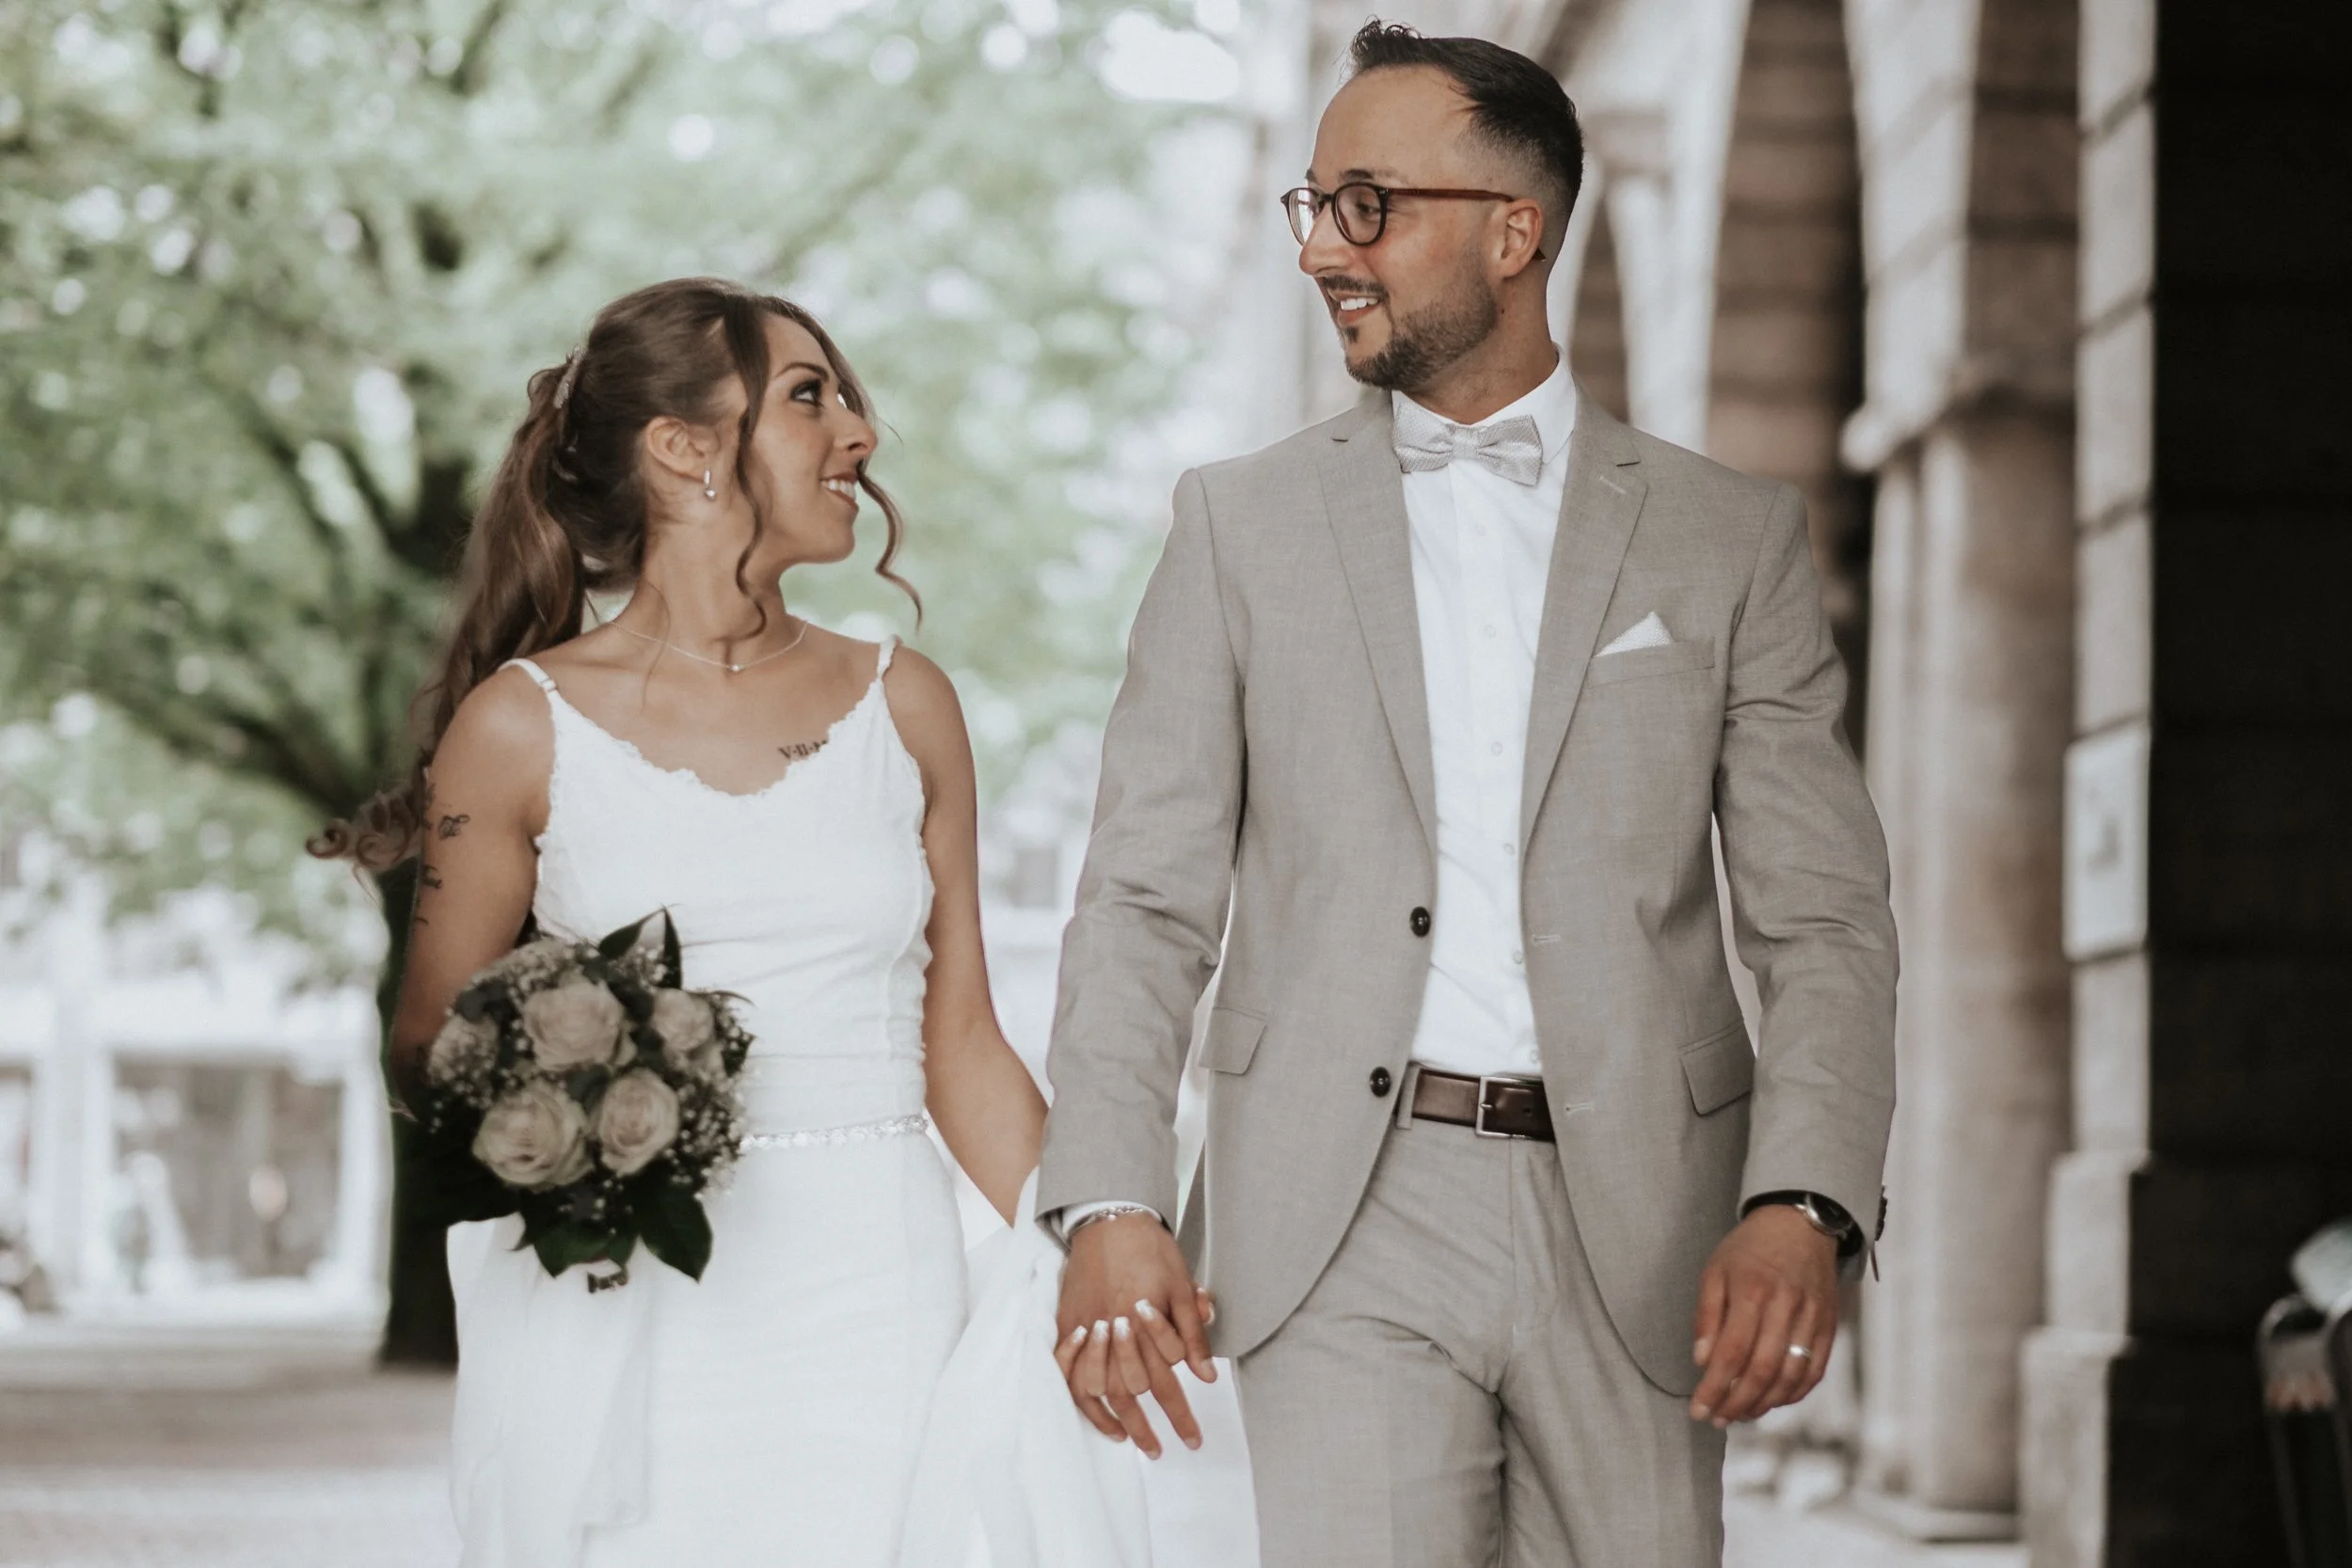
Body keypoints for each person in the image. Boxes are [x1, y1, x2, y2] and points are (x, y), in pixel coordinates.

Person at [1040, 21, 1898, 1566]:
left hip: (1648, 1217)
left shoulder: (1728, 539)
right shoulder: (1235, 528)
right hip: (1337, 1210)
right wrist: (1108, 1196)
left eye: (1369, 204)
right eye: (1313, 205)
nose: (1324, 252)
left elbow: (1823, 918)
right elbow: (1144, 897)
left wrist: (1807, 1198)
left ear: (1517, 232)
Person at [320, 277, 1047, 1566]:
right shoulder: (520, 722)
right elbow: (430, 1039)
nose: (860, 434)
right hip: (632, 1306)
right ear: (684, 448)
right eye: (812, 396)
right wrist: (585, 1115)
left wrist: (1097, 1236)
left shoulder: (908, 704)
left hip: (880, 1288)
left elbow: (968, 1045)